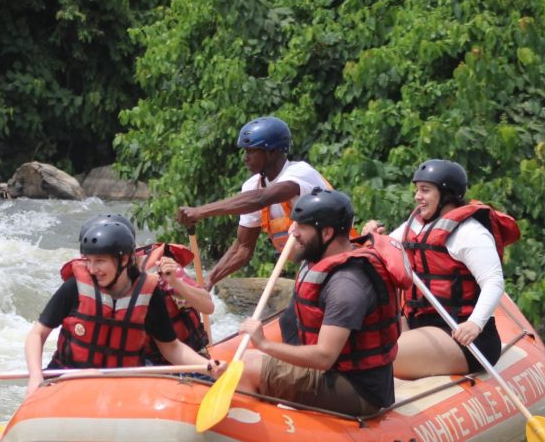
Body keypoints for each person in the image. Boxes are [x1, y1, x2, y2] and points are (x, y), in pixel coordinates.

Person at [236, 188, 407, 415]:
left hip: (357, 390)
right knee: (244, 357)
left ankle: (260, 439)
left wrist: (265, 344)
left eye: (302, 228)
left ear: (326, 233)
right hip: (334, 373)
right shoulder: (322, 254)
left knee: (245, 368)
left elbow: (325, 357)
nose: (293, 234)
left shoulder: (346, 285)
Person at [362, 159, 519, 379]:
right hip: (417, 324)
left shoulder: (470, 233)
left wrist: (475, 324)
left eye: (425, 190)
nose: (417, 196)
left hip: (462, 335)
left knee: (374, 355)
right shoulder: (416, 225)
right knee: (356, 340)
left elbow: (493, 282)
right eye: (417, 190)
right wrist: (373, 237)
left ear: (447, 196)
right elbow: (384, 253)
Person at [25, 217, 214, 397]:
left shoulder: (149, 292)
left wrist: (211, 367)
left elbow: (171, 348)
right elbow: (37, 334)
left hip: (121, 386)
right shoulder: (74, 288)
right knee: (93, 376)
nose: (92, 269)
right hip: (66, 380)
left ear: (124, 260)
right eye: (88, 261)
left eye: (100, 261)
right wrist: (35, 375)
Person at [176, 116, 330, 289]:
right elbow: (243, 247)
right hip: (310, 268)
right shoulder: (252, 186)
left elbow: (261, 199)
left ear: (271, 151)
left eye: (251, 151)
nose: (245, 158)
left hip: (338, 261)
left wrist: (201, 211)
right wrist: (209, 280)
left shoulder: (299, 172)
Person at [59, 214, 214, 364]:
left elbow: (207, 306)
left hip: (180, 359)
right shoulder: (92, 281)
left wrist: (175, 282)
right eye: (90, 258)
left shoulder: (160, 271)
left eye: (102, 257)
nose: (94, 267)